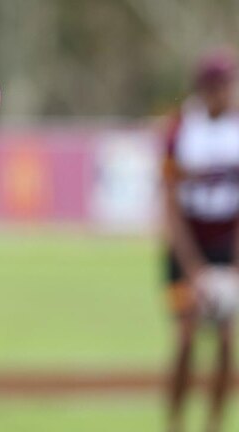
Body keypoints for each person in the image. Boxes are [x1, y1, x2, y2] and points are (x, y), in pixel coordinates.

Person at [162, 49, 239, 432]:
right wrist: (193, 269)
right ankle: (175, 423)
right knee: (186, 338)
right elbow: (170, 204)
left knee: (226, 341)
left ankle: (215, 425)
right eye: (218, 86)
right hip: (187, 246)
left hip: (226, 243)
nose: (224, 93)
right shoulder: (180, 132)